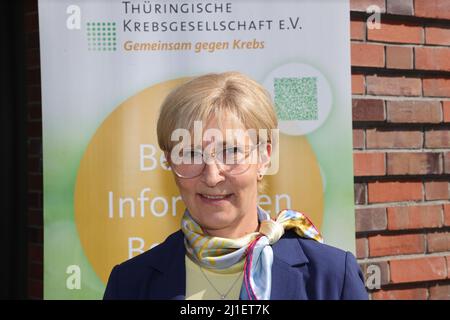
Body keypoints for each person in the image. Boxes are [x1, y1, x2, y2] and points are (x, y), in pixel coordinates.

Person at [103, 72, 368, 300]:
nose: (212, 175)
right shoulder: (129, 284)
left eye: (230, 151)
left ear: (264, 158)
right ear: (170, 163)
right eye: (191, 154)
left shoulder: (331, 276)